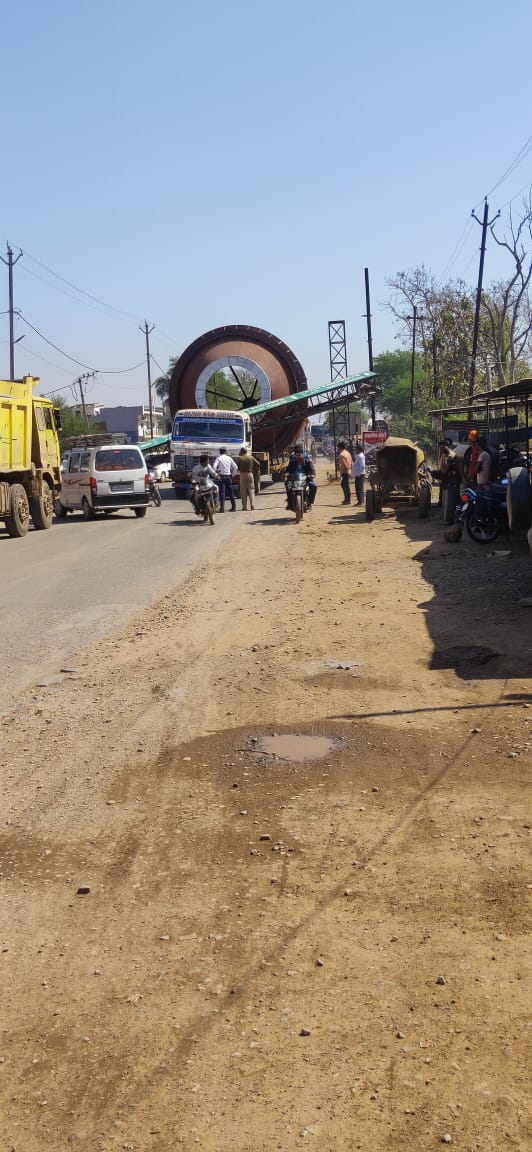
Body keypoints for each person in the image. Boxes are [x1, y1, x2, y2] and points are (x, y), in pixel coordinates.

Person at [285, 445, 317, 509]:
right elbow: (287, 470)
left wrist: (312, 475)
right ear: (295, 455)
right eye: (297, 455)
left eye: (300, 455)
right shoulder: (292, 463)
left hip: (306, 480)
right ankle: (290, 502)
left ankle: (310, 503)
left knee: (314, 486)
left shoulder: (308, 462)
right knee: (287, 484)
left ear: (302, 455)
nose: (298, 457)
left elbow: (312, 470)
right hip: (294, 480)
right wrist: (286, 473)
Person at [213, 447, 238, 512]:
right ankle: (234, 507)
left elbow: (214, 467)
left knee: (222, 492)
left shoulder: (218, 458)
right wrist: (232, 475)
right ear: (225, 452)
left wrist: (216, 474)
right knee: (231, 492)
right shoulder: (229, 458)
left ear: (220, 452)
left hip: (221, 476)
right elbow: (235, 467)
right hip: (228, 476)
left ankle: (222, 508)